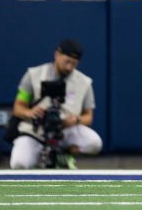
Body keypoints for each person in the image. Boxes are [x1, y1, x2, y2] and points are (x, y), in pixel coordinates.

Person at [9, 39, 102, 168]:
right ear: (57, 55)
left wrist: (76, 119)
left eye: (74, 64)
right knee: (19, 163)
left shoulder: (84, 83)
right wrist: (30, 112)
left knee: (94, 143)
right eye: (67, 62)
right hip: (35, 131)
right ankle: (40, 156)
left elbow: (88, 117)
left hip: (64, 130)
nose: (69, 67)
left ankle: (62, 156)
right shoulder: (33, 75)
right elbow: (18, 108)